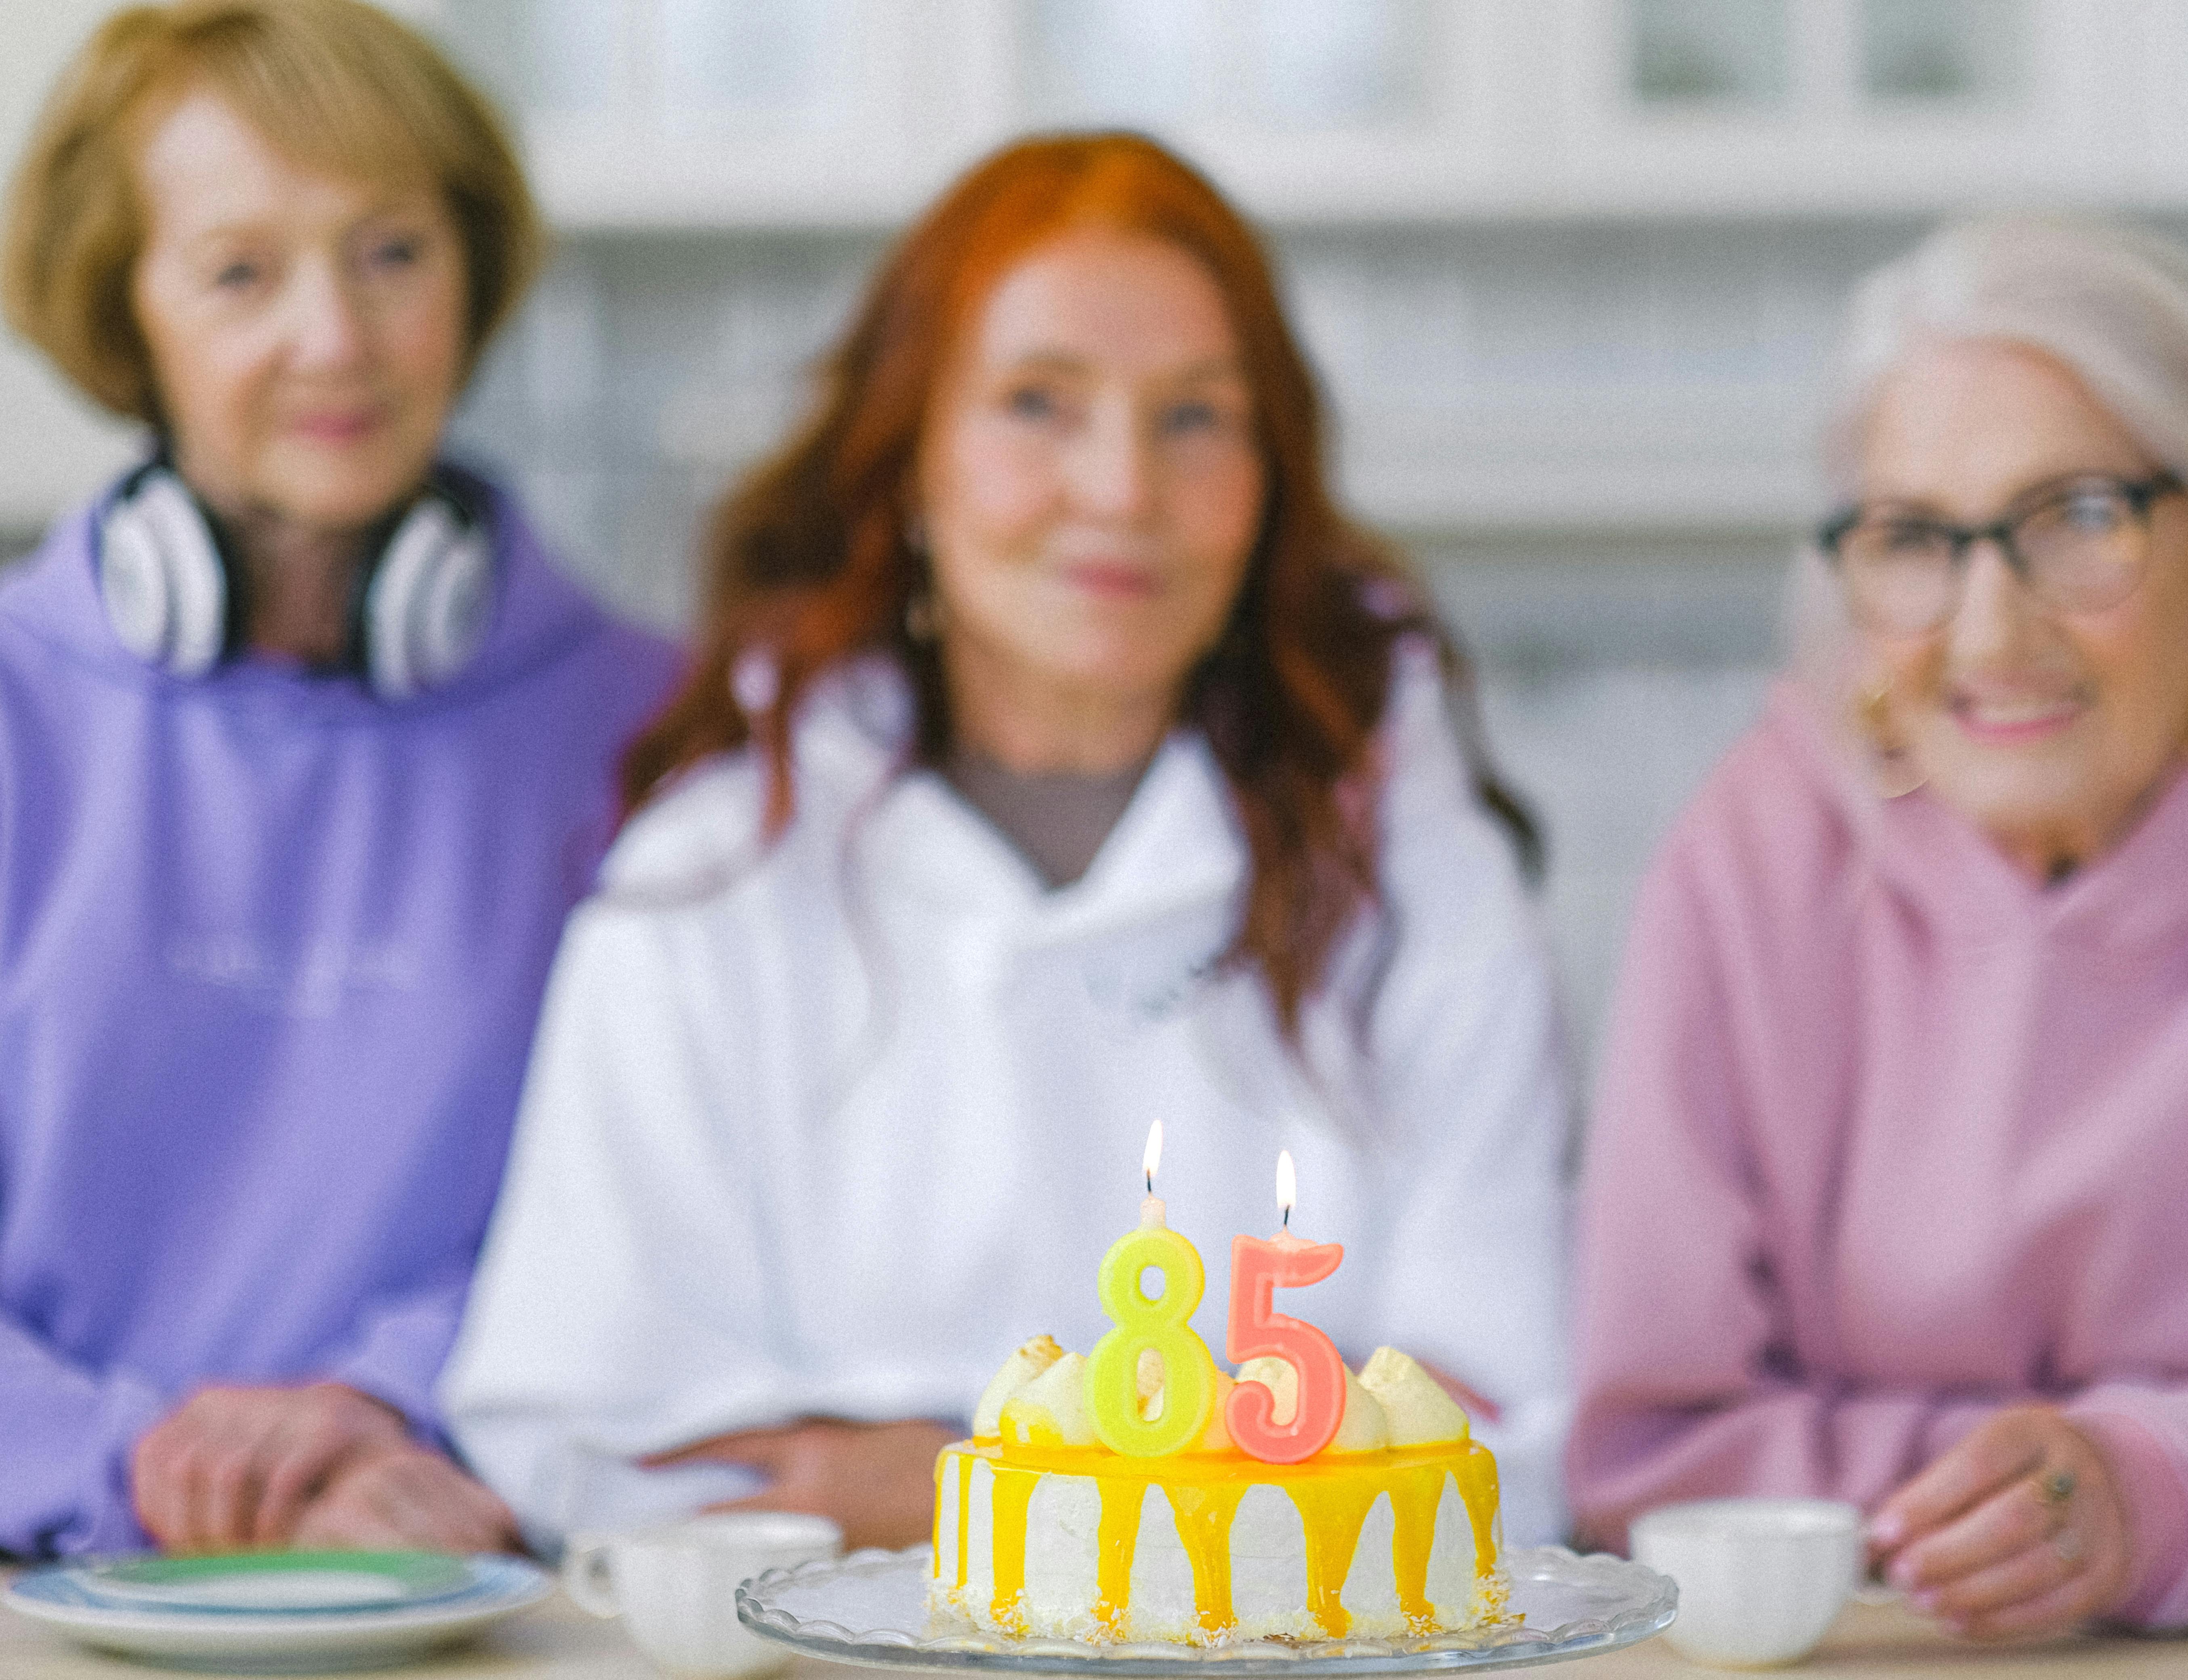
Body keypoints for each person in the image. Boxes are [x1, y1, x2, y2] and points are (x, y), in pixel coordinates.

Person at [440, 132, 1572, 1554]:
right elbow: (589, 1446)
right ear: (909, 461)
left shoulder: (1412, 877)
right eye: (1039, 405)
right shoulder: (708, 888)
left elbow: (1508, 1439)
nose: (1120, 491)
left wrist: (964, 1483)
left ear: (1272, 478)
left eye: (1197, 418)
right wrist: (1259, 1467)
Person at [1568, 217, 2188, 1638]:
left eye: (2077, 518)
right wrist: (2026, 1509)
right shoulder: (1750, 861)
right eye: (1912, 540)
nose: (1988, 631)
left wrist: (2172, 1492)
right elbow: (1654, 1455)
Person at [0, 0, 677, 1557]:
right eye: (242, 272)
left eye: (392, 252)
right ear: (128, 318)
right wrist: (159, 1470)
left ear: (475, 272)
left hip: (458, 1563)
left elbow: (670, 1217)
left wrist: (383, 1407)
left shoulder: (655, 726)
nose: (338, 338)